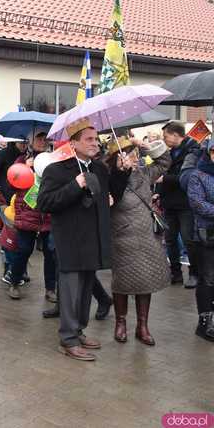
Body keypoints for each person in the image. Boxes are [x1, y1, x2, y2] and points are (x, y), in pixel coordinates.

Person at [37, 119, 129, 362]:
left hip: (93, 239)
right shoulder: (57, 170)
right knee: (70, 291)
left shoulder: (98, 169)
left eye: (96, 138)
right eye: (88, 139)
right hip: (70, 240)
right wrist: (75, 185)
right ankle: (67, 339)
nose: (95, 142)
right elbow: (45, 203)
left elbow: (113, 197)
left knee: (86, 290)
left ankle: (78, 331)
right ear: (74, 142)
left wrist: (122, 171)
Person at [107, 136, 171, 345]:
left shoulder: (144, 173)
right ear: (117, 157)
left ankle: (142, 326)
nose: (133, 157)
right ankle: (121, 323)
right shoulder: (110, 177)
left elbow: (164, 163)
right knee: (122, 281)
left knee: (145, 280)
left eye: (134, 153)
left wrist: (147, 147)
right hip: (122, 235)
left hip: (146, 236)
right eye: (128, 153)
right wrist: (120, 171)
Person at [6, 133, 55, 301]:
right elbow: (12, 182)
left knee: (51, 252)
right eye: (38, 139)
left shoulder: (53, 160)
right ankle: (14, 281)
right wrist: (26, 168)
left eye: (44, 139)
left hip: (48, 213)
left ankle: (50, 288)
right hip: (27, 212)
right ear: (31, 141)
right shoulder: (21, 160)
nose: (42, 142)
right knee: (24, 250)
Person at [158, 121, 200, 288]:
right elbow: (165, 173)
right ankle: (175, 274)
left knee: (189, 240)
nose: (164, 139)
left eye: (165, 136)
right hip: (169, 203)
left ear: (176, 135)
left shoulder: (193, 151)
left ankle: (194, 274)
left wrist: (165, 179)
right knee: (170, 240)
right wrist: (158, 192)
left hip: (185, 203)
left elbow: (189, 177)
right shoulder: (171, 152)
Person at [187, 139, 214, 342]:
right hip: (207, 234)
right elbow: (198, 204)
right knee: (208, 278)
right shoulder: (198, 175)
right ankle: (204, 323)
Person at [0, 139, 28, 256]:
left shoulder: (27, 157)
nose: (23, 145)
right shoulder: (4, 153)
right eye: (21, 142)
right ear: (14, 142)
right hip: (0, 194)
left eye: (26, 142)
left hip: (18, 196)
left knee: (13, 224)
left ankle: (9, 247)